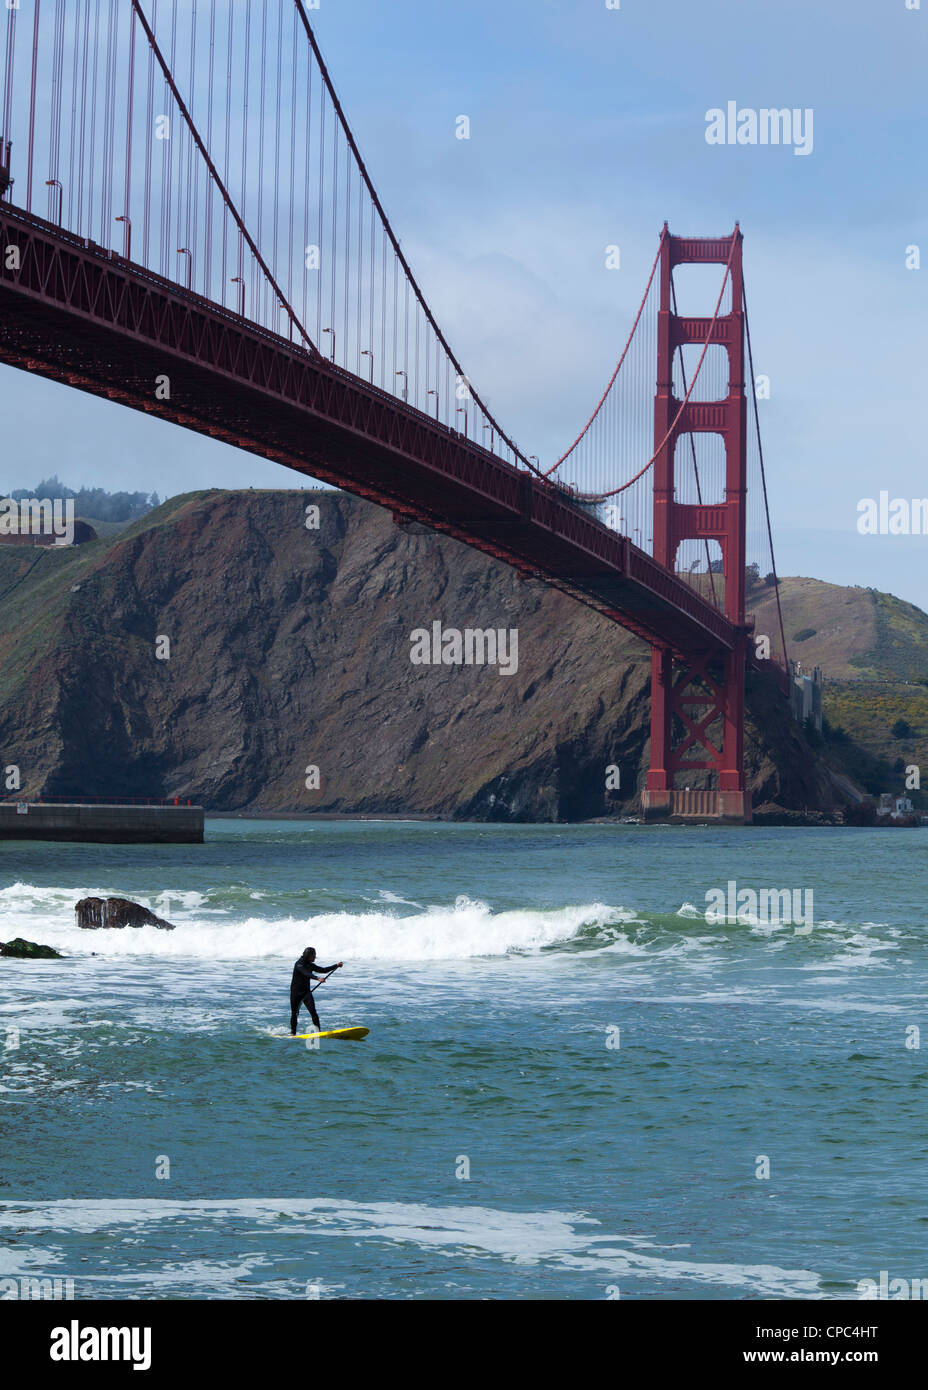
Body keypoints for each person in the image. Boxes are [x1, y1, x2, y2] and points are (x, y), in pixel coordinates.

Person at [290, 947, 343, 1036]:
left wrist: (336, 965)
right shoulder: (299, 964)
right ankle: (293, 1033)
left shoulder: (310, 965)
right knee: (295, 1013)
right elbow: (306, 973)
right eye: (314, 955)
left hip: (306, 992)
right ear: (309, 956)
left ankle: (318, 1032)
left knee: (313, 1012)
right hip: (296, 993)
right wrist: (317, 978)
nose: (315, 957)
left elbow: (323, 970)